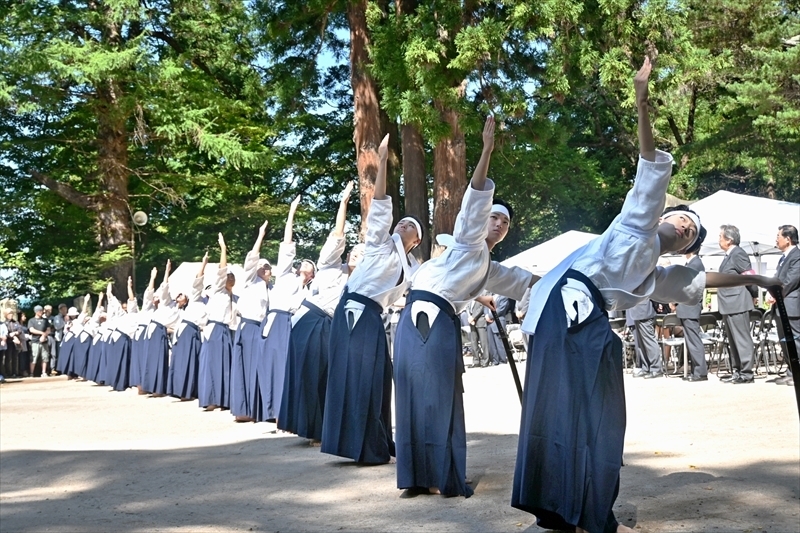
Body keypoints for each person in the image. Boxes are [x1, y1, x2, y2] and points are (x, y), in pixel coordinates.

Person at [512, 57, 781, 533]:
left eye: (689, 233)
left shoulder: (651, 275)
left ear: (686, 247)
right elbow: (650, 167)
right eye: (680, 220)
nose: (682, 228)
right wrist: (641, 101)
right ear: (661, 216)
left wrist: (753, 280)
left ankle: (584, 504)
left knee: (599, 412)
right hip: (566, 312)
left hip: (582, 319)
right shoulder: (634, 225)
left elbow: (700, 283)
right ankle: (557, 506)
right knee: (562, 406)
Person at [393, 116, 536, 498]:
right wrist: (486, 151)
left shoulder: (491, 268)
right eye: (495, 217)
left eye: (505, 222)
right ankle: (416, 476)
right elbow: (473, 203)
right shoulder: (468, 241)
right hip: (415, 317)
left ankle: (441, 476)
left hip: (440, 321)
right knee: (409, 392)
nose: (499, 224)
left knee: (441, 394)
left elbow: (524, 282)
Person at [322, 133, 422, 464]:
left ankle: (380, 438)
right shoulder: (381, 242)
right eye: (402, 221)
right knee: (357, 375)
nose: (402, 223)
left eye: (409, 225)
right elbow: (379, 206)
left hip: (373, 317)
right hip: (353, 311)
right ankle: (359, 445)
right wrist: (380, 164)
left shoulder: (412, 266)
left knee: (379, 377)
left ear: (416, 240)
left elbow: (431, 286)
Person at [279, 182, 356, 443]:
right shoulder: (331, 265)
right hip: (311, 320)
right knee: (310, 372)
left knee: (326, 374)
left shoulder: (360, 280)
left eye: (363, 252)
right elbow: (337, 234)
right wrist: (343, 203)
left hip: (332, 326)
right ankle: (312, 429)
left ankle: (322, 426)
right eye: (354, 250)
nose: (358, 253)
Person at [255, 196, 309, 423]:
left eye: (310, 264)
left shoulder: (310, 292)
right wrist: (291, 213)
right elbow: (287, 246)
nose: (304, 264)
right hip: (276, 320)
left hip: (294, 324)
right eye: (302, 262)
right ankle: (273, 411)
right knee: (273, 364)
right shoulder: (286, 275)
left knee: (289, 367)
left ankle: (288, 412)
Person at [231, 221, 272, 422]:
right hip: (249, 326)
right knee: (247, 365)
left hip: (262, 328)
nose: (266, 270)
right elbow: (251, 258)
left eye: (269, 267)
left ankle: (259, 408)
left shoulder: (269, 288)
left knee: (260, 366)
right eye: (263, 267)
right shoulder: (250, 280)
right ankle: (244, 409)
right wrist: (260, 236)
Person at [198, 233, 238, 411]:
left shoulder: (235, 297)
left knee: (225, 364)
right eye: (227, 276)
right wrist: (223, 248)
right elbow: (222, 269)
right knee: (212, 363)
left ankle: (224, 399)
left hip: (227, 331)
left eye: (232, 276)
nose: (230, 278)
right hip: (214, 328)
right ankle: (210, 398)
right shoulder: (219, 291)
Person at [717, 224, 756, 384]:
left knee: (741, 339)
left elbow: (750, 277)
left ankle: (747, 373)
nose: (718, 240)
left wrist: (753, 294)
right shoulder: (728, 256)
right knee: (732, 340)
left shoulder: (738, 254)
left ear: (729, 240)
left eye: (720, 236)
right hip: (728, 303)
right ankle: (737, 370)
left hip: (738, 302)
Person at [167, 254, 209, 400]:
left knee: (194, 362)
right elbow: (198, 282)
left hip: (198, 333)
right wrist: (203, 265)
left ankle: (191, 390)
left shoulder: (210, 304)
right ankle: (181, 390)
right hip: (187, 330)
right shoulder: (196, 299)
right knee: (183, 359)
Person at [768, 225, 799, 386]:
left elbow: (791, 281)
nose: (776, 239)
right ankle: (791, 371)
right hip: (781, 306)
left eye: (778, 236)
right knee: (785, 341)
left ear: (788, 239)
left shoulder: (797, 256)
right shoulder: (783, 258)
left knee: (796, 341)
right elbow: (777, 278)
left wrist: (776, 294)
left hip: (791, 305)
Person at [677, 237, 708, 382]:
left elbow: (688, 286)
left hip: (690, 307)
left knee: (694, 341)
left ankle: (700, 372)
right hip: (687, 307)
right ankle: (696, 371)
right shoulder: (692, 263)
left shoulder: (695, 264)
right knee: (691, 341)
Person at [627, 299, 662, 378]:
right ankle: (645, 367)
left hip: (645, 310)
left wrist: (657, 303)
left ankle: (656, 368)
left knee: (649, 341)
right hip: (636, 311)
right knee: (641, 343)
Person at [27, 305, 51, 378]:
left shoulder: (45, 320)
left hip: (44, 341)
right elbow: (31, 330)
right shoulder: (31, 320)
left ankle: (44, 372)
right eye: (40, 311)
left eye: (42, 311)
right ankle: (31, 373)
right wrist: (42, 333)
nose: (42, 312)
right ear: (36, 312)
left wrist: (44, 336)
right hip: (35, 341)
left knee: (45, 357)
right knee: (34, 357)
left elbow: (48, 329)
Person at [467, 297, 490, 368]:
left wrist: (473, 317)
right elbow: (467, 308)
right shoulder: (469, 298)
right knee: (474, 342)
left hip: (480, 321)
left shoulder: (480, 296)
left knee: (484, 343)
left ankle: (485, 361)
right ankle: (476, 361)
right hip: (472, 322)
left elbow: (481, 308)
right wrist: (470, 318)